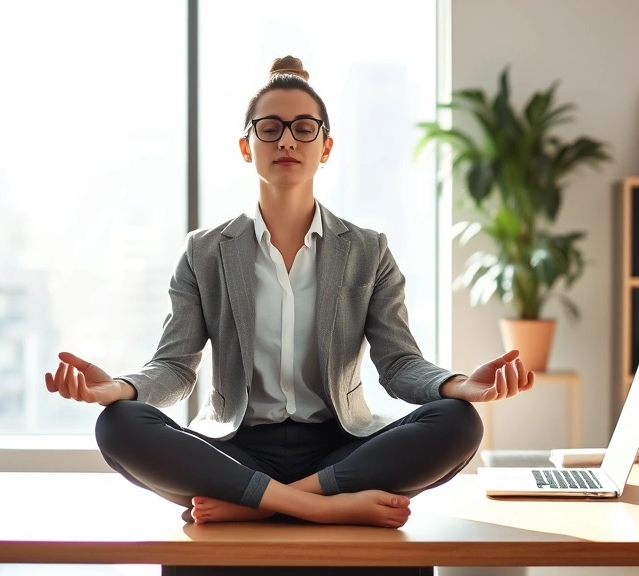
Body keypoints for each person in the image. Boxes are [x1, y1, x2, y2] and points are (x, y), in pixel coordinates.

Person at [45, 56, 534, 529]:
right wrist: (119, 389)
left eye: (304, 128)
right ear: (246, 146)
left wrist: (459, 385)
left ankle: (262, 503)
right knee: (117, 425)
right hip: (236, 446)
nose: (287, 140)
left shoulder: (368, 250)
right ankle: (322, 507)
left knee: (459, 423)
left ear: (325, 146)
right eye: (270, 127)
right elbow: (175, 369)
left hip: (338, 446)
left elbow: (400, 365)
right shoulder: (204, 251)